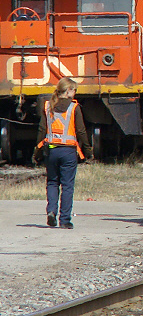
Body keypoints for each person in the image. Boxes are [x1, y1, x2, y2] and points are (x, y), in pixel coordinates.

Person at [32, 78, 92, 229]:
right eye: (74, 90)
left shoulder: (48, 106)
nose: (75, 93)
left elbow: (41, 130)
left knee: (52, 182)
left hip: (51, 151)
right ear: (68, 90)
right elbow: (81, 131)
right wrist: (88, 151)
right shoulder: (74, 107)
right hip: (68, 152)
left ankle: (51, 211)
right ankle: (65, 220)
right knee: (67, 186)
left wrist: (37, 152)